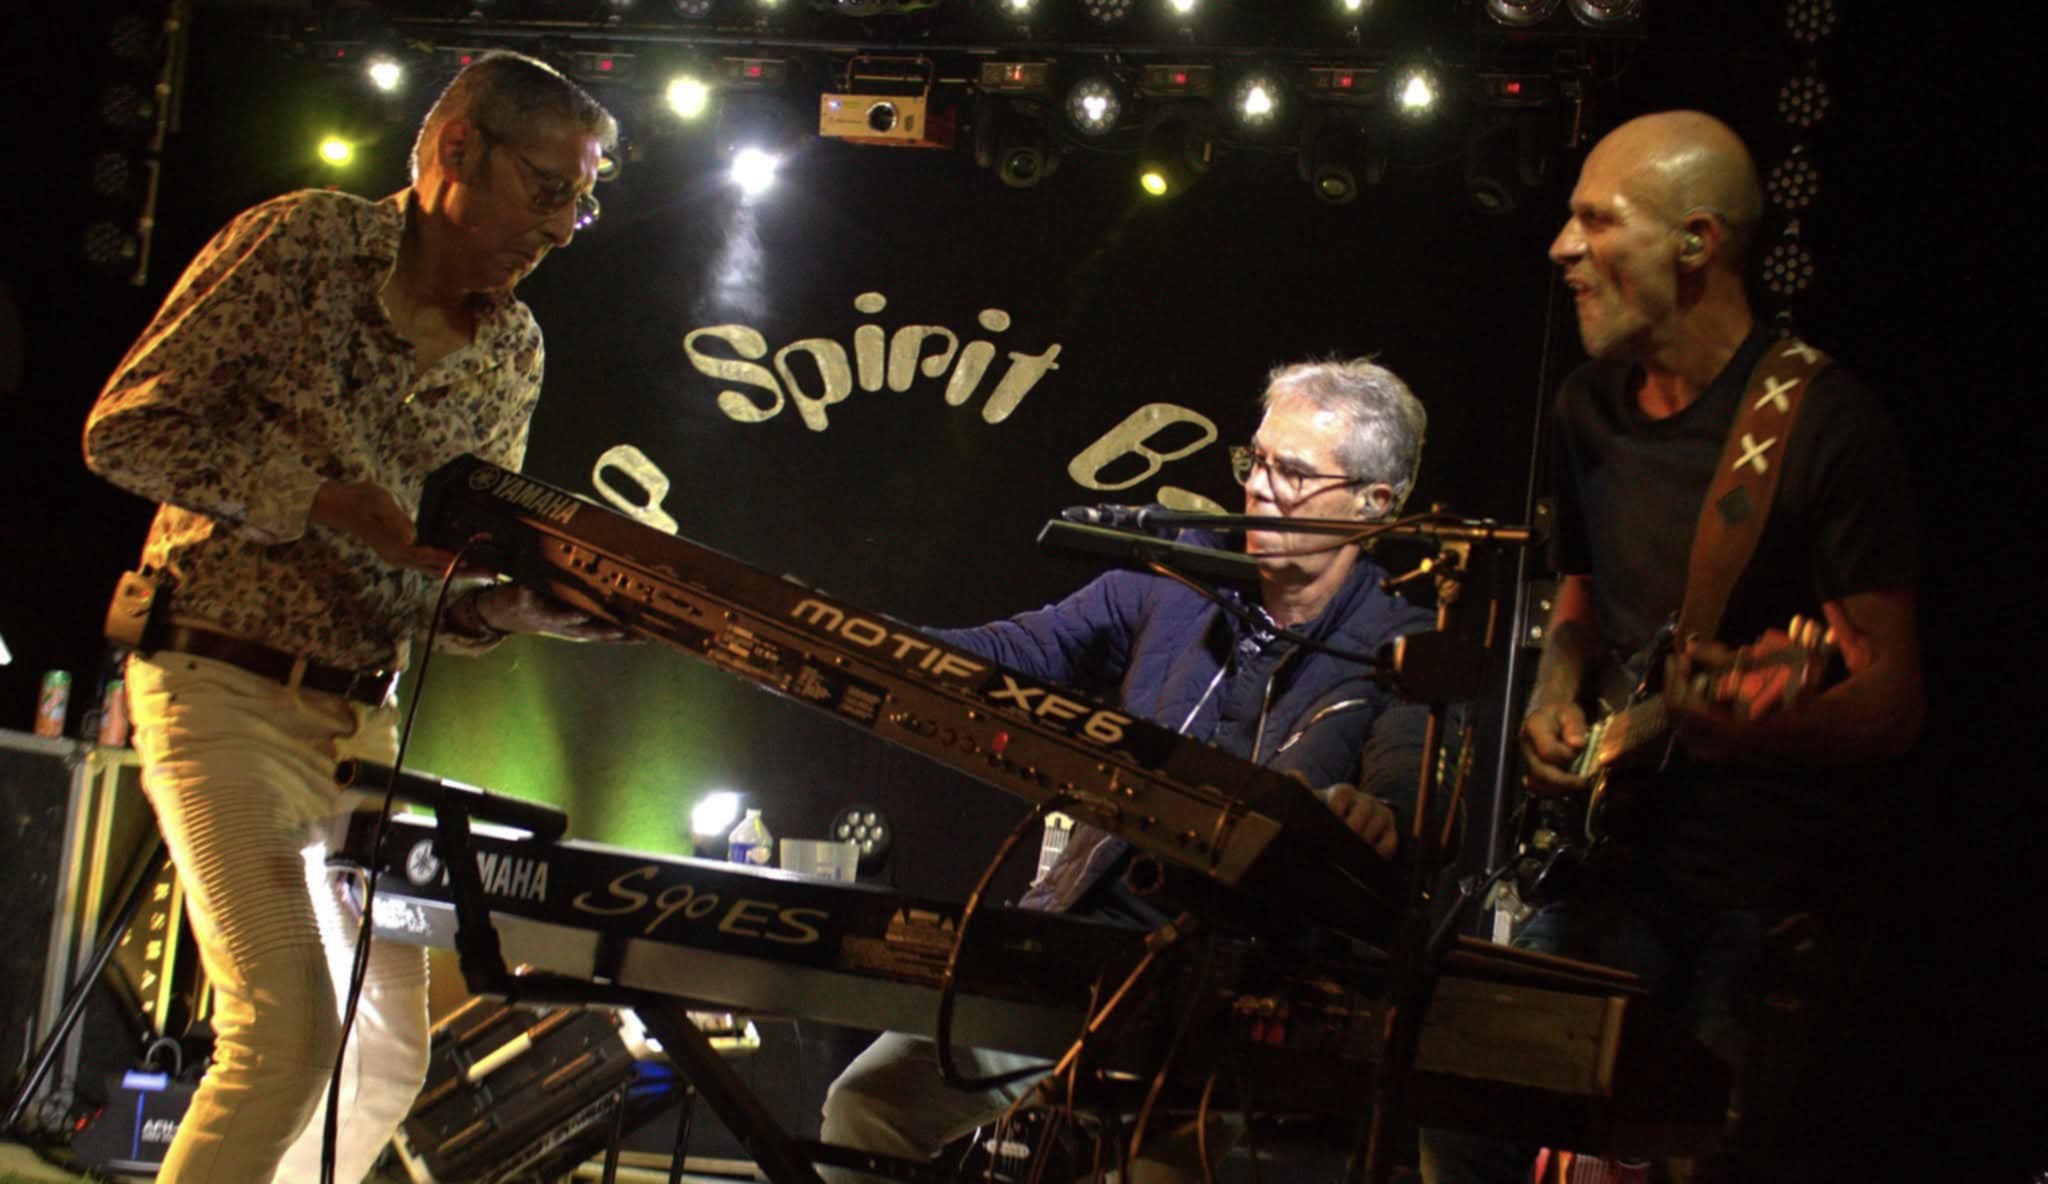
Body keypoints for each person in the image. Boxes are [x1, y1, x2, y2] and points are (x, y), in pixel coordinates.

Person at [82, 52, 620, 1183]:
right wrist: (321, 499)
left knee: (385, 1059)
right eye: (547, 190)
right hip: (219, 686)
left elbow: (430, 590)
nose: (562, 228)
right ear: (456, 148)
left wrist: (518, 606)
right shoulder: (304, 242)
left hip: (360, 724)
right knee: (285, 1040)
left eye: (580, 202)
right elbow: (124, 430)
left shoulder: (514, 349)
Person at [1419, 111, 1924, 1183]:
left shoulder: (1824, 424)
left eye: (1596, 220)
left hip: (1749, 896)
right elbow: (1580, 594)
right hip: (1596, 861)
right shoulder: (1585, 407)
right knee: (1461, 1116)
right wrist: (1552, 692)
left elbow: (1890, 699)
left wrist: (1764, 726)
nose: (1560, 247)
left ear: (1696, 242)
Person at [820, 357, 1438, 1182]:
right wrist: (842, 636)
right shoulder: (1176, 583)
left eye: (1292, 472)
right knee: (867, 1106)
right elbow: (1013, 653)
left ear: (1374, 504)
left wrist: (1373, 814)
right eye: (1255, 460)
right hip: (1082, 943)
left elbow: (1403, 786)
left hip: (1235, 997)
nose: (1260, 487)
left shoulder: (1405, 646)